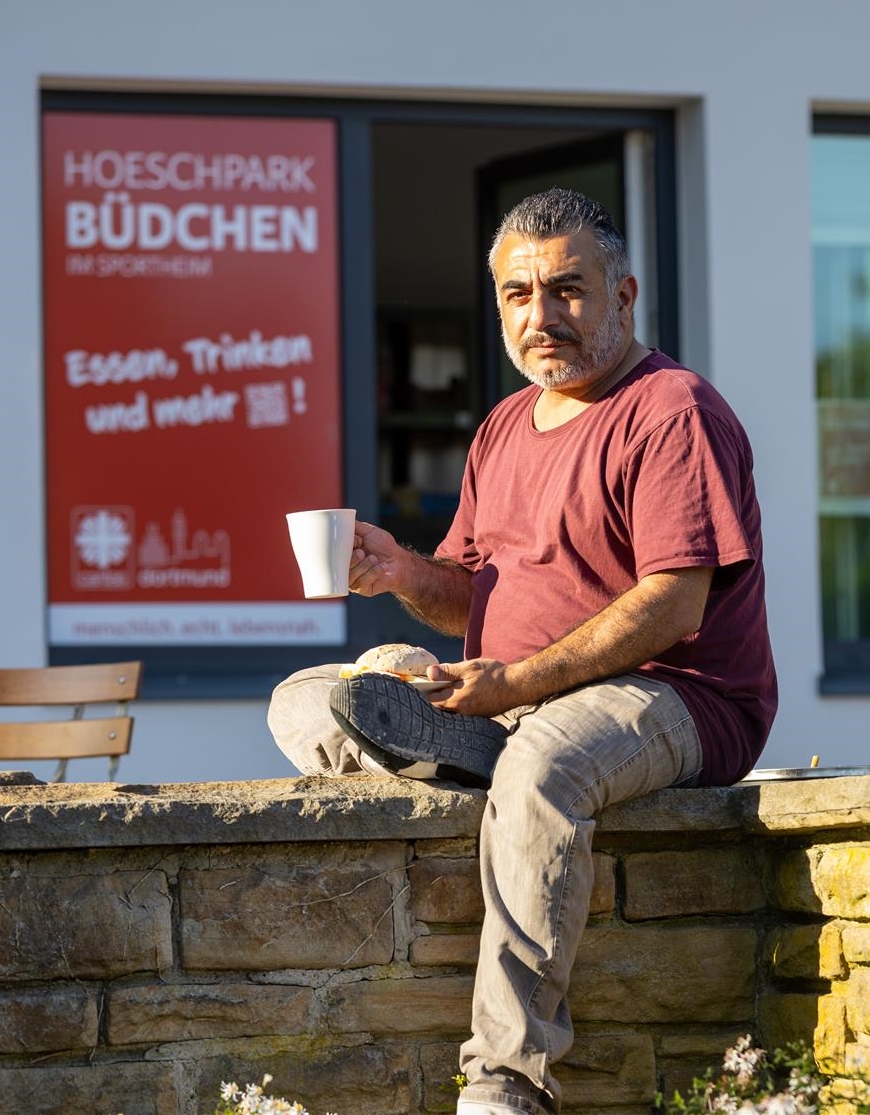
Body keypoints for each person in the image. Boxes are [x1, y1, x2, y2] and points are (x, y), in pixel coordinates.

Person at [266, 189, 777, 1115]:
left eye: (567, 290)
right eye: (517, 294)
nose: (540, 317)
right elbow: (473, 592)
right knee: (307, 696)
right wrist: (400, 574)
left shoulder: (673, 409)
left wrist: (521, 683)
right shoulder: (504, 426)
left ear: (623, 297)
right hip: (515, 694)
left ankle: (505, 1081)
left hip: (676, 695)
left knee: (542, 761)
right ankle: (474, 758)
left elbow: (674, 602)